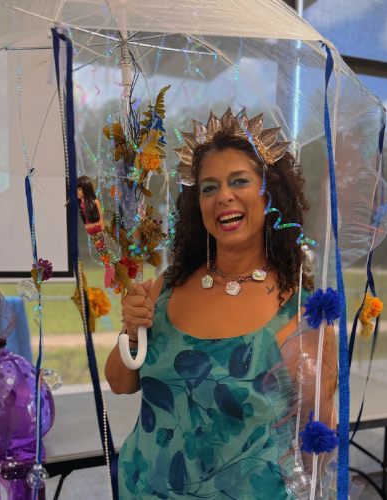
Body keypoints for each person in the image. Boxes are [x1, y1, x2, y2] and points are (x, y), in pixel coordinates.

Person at [105, 110, 337, 499]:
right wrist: (132, 329)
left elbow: (319, 443)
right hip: (142, 488)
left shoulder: (303, 313)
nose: (223, 196)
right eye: (208, 187)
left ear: (270, 194)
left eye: (240, 181)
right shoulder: (166, 286)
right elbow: (119, 382)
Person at [77, 175, 110, 268]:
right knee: (99, 248)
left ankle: (108, 265)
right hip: (90, 229)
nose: (77, 192)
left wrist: (101, 225)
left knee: (102, 249)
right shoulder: (80, 204)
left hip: (96, 227)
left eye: (79, 189)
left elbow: (100, 216)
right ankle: (106, 265)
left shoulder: (94, 202)